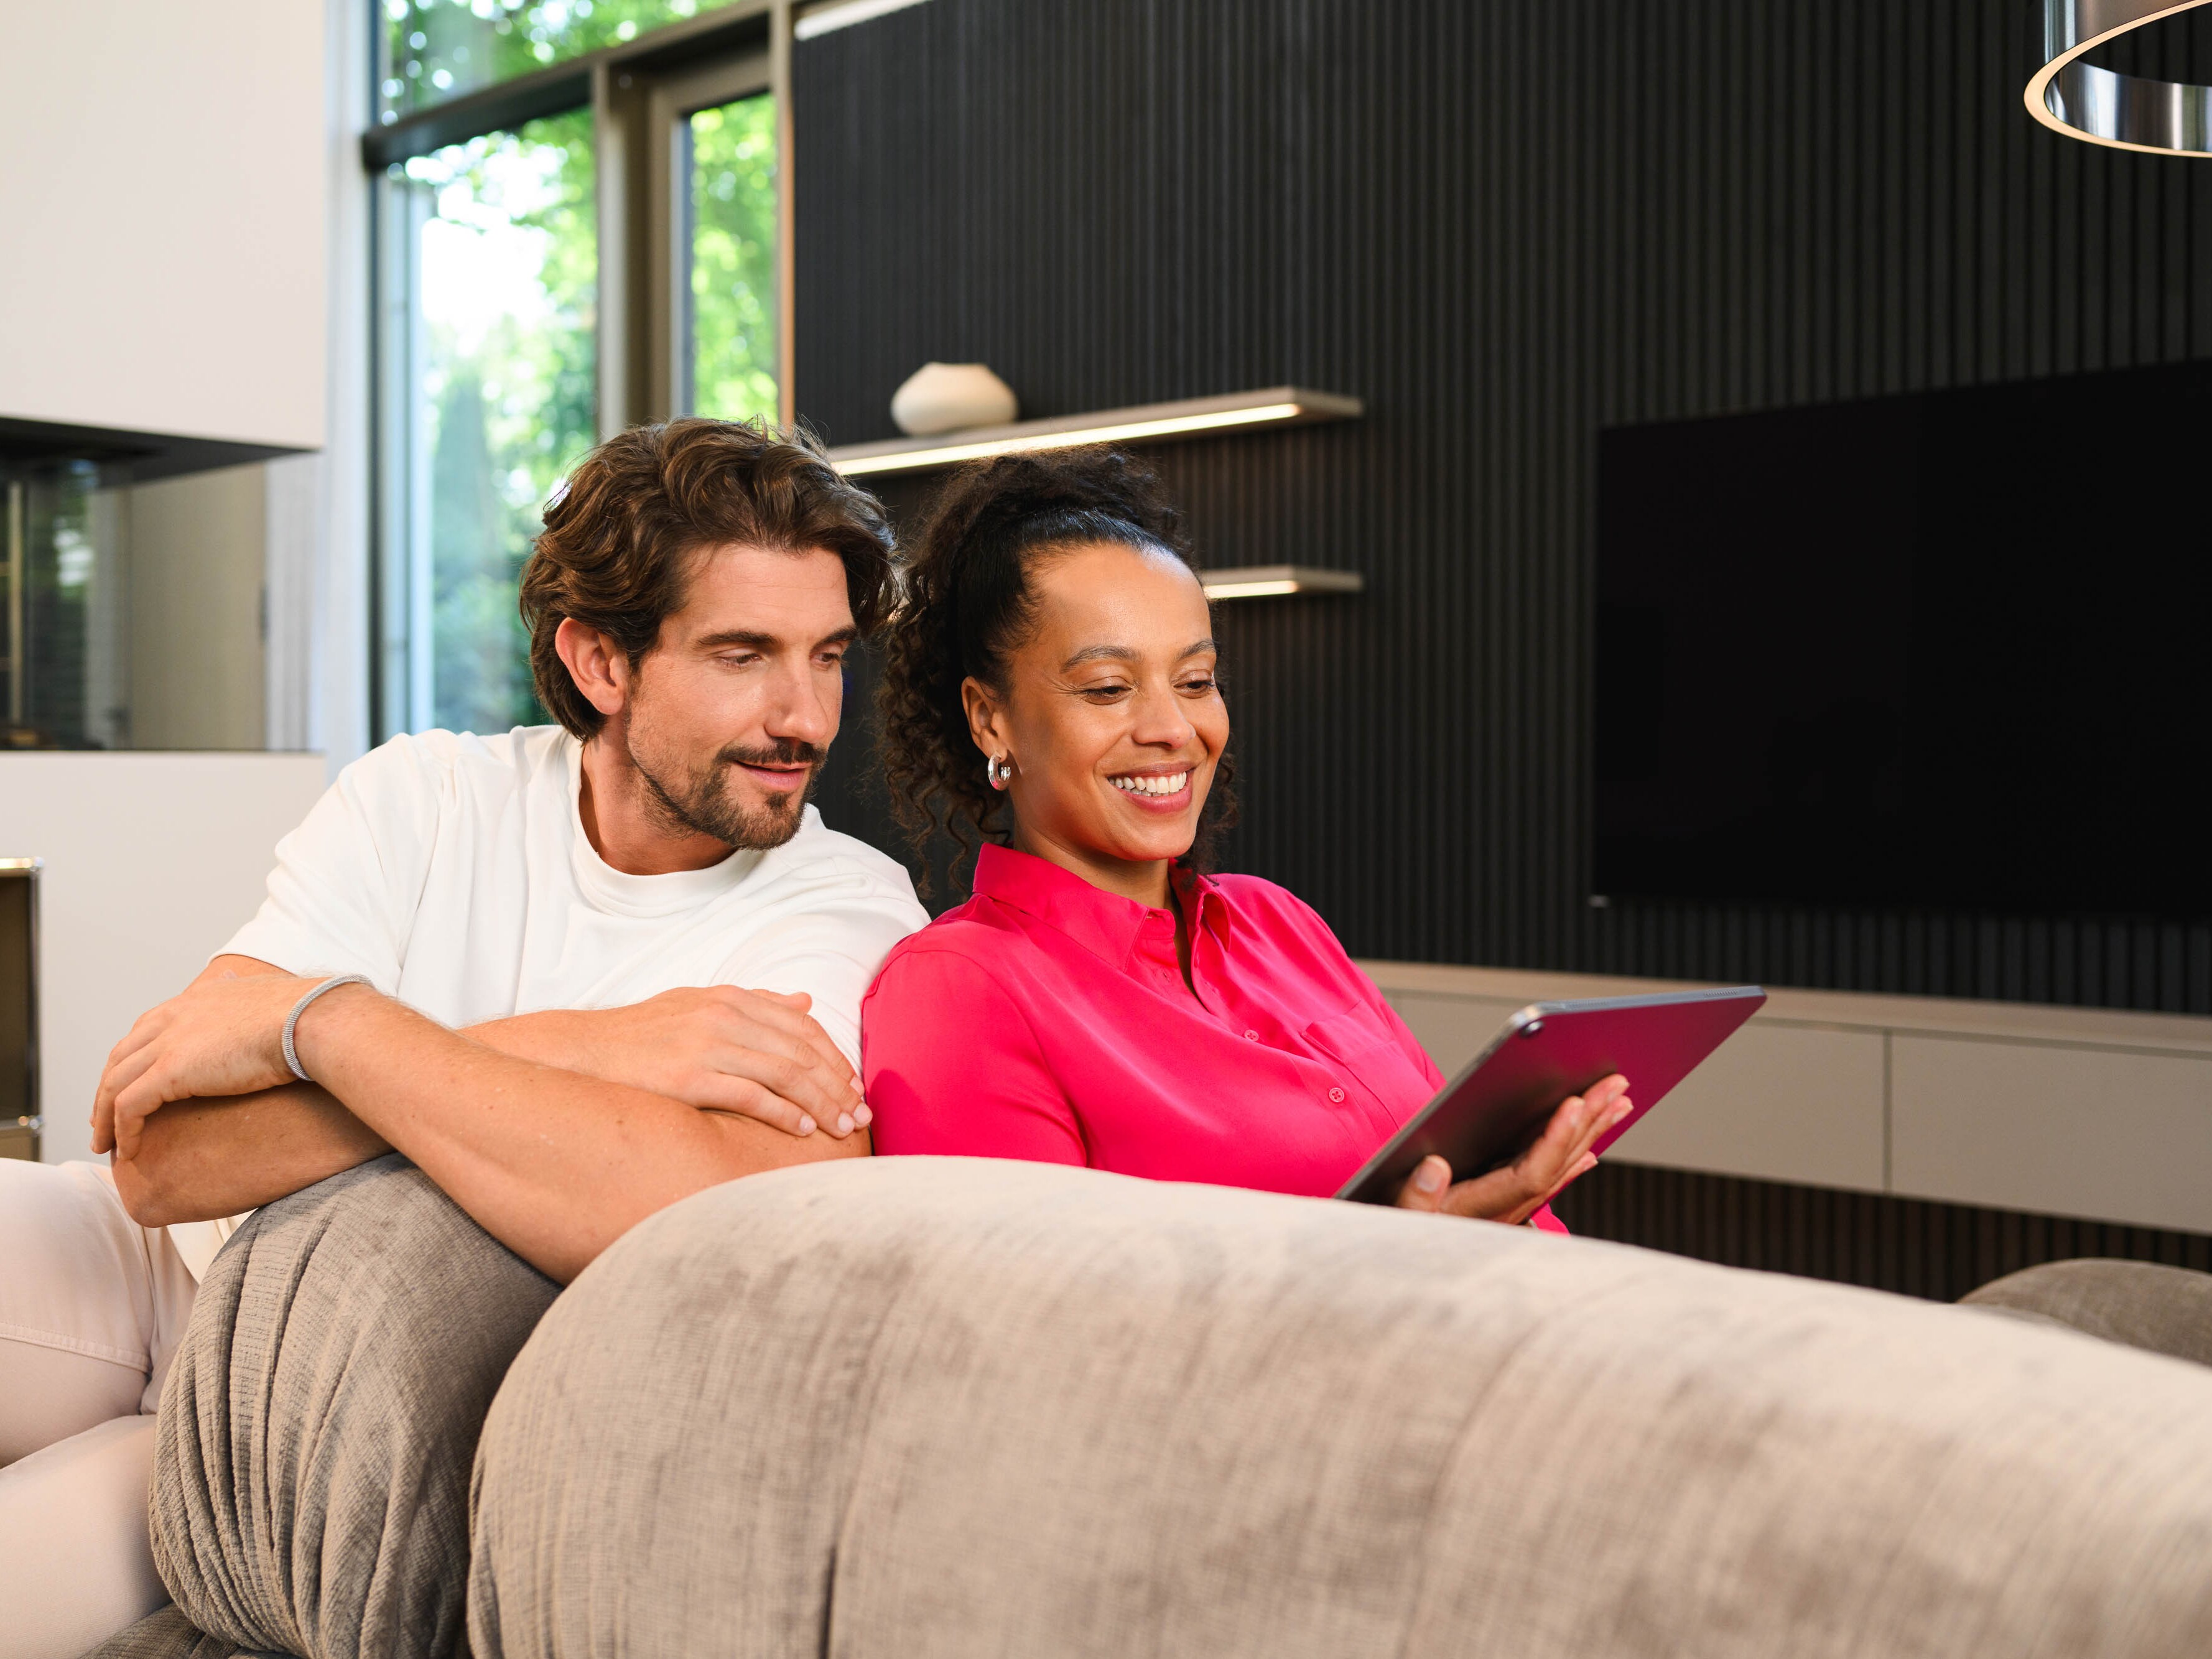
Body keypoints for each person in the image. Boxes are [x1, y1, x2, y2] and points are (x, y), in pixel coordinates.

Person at [0, 419, 930, 1657]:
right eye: (741, 654)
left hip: (313, 1402)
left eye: (825, 655)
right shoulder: (424, 797)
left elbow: (706, 1205)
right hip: (143, 1267)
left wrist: (317, 1027)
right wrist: (587, 1048)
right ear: (599, 659)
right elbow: (162, 1163)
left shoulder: (843, 910)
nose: (802, 714)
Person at [860, 448, 1627, 1223]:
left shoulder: (1279, 924)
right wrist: (1408, 1259)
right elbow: (1038, 1321)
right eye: (1107, 688)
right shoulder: (961, 989)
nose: (1173, 729)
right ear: (990, 718)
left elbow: (1472, 1190)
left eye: (1196, 681)